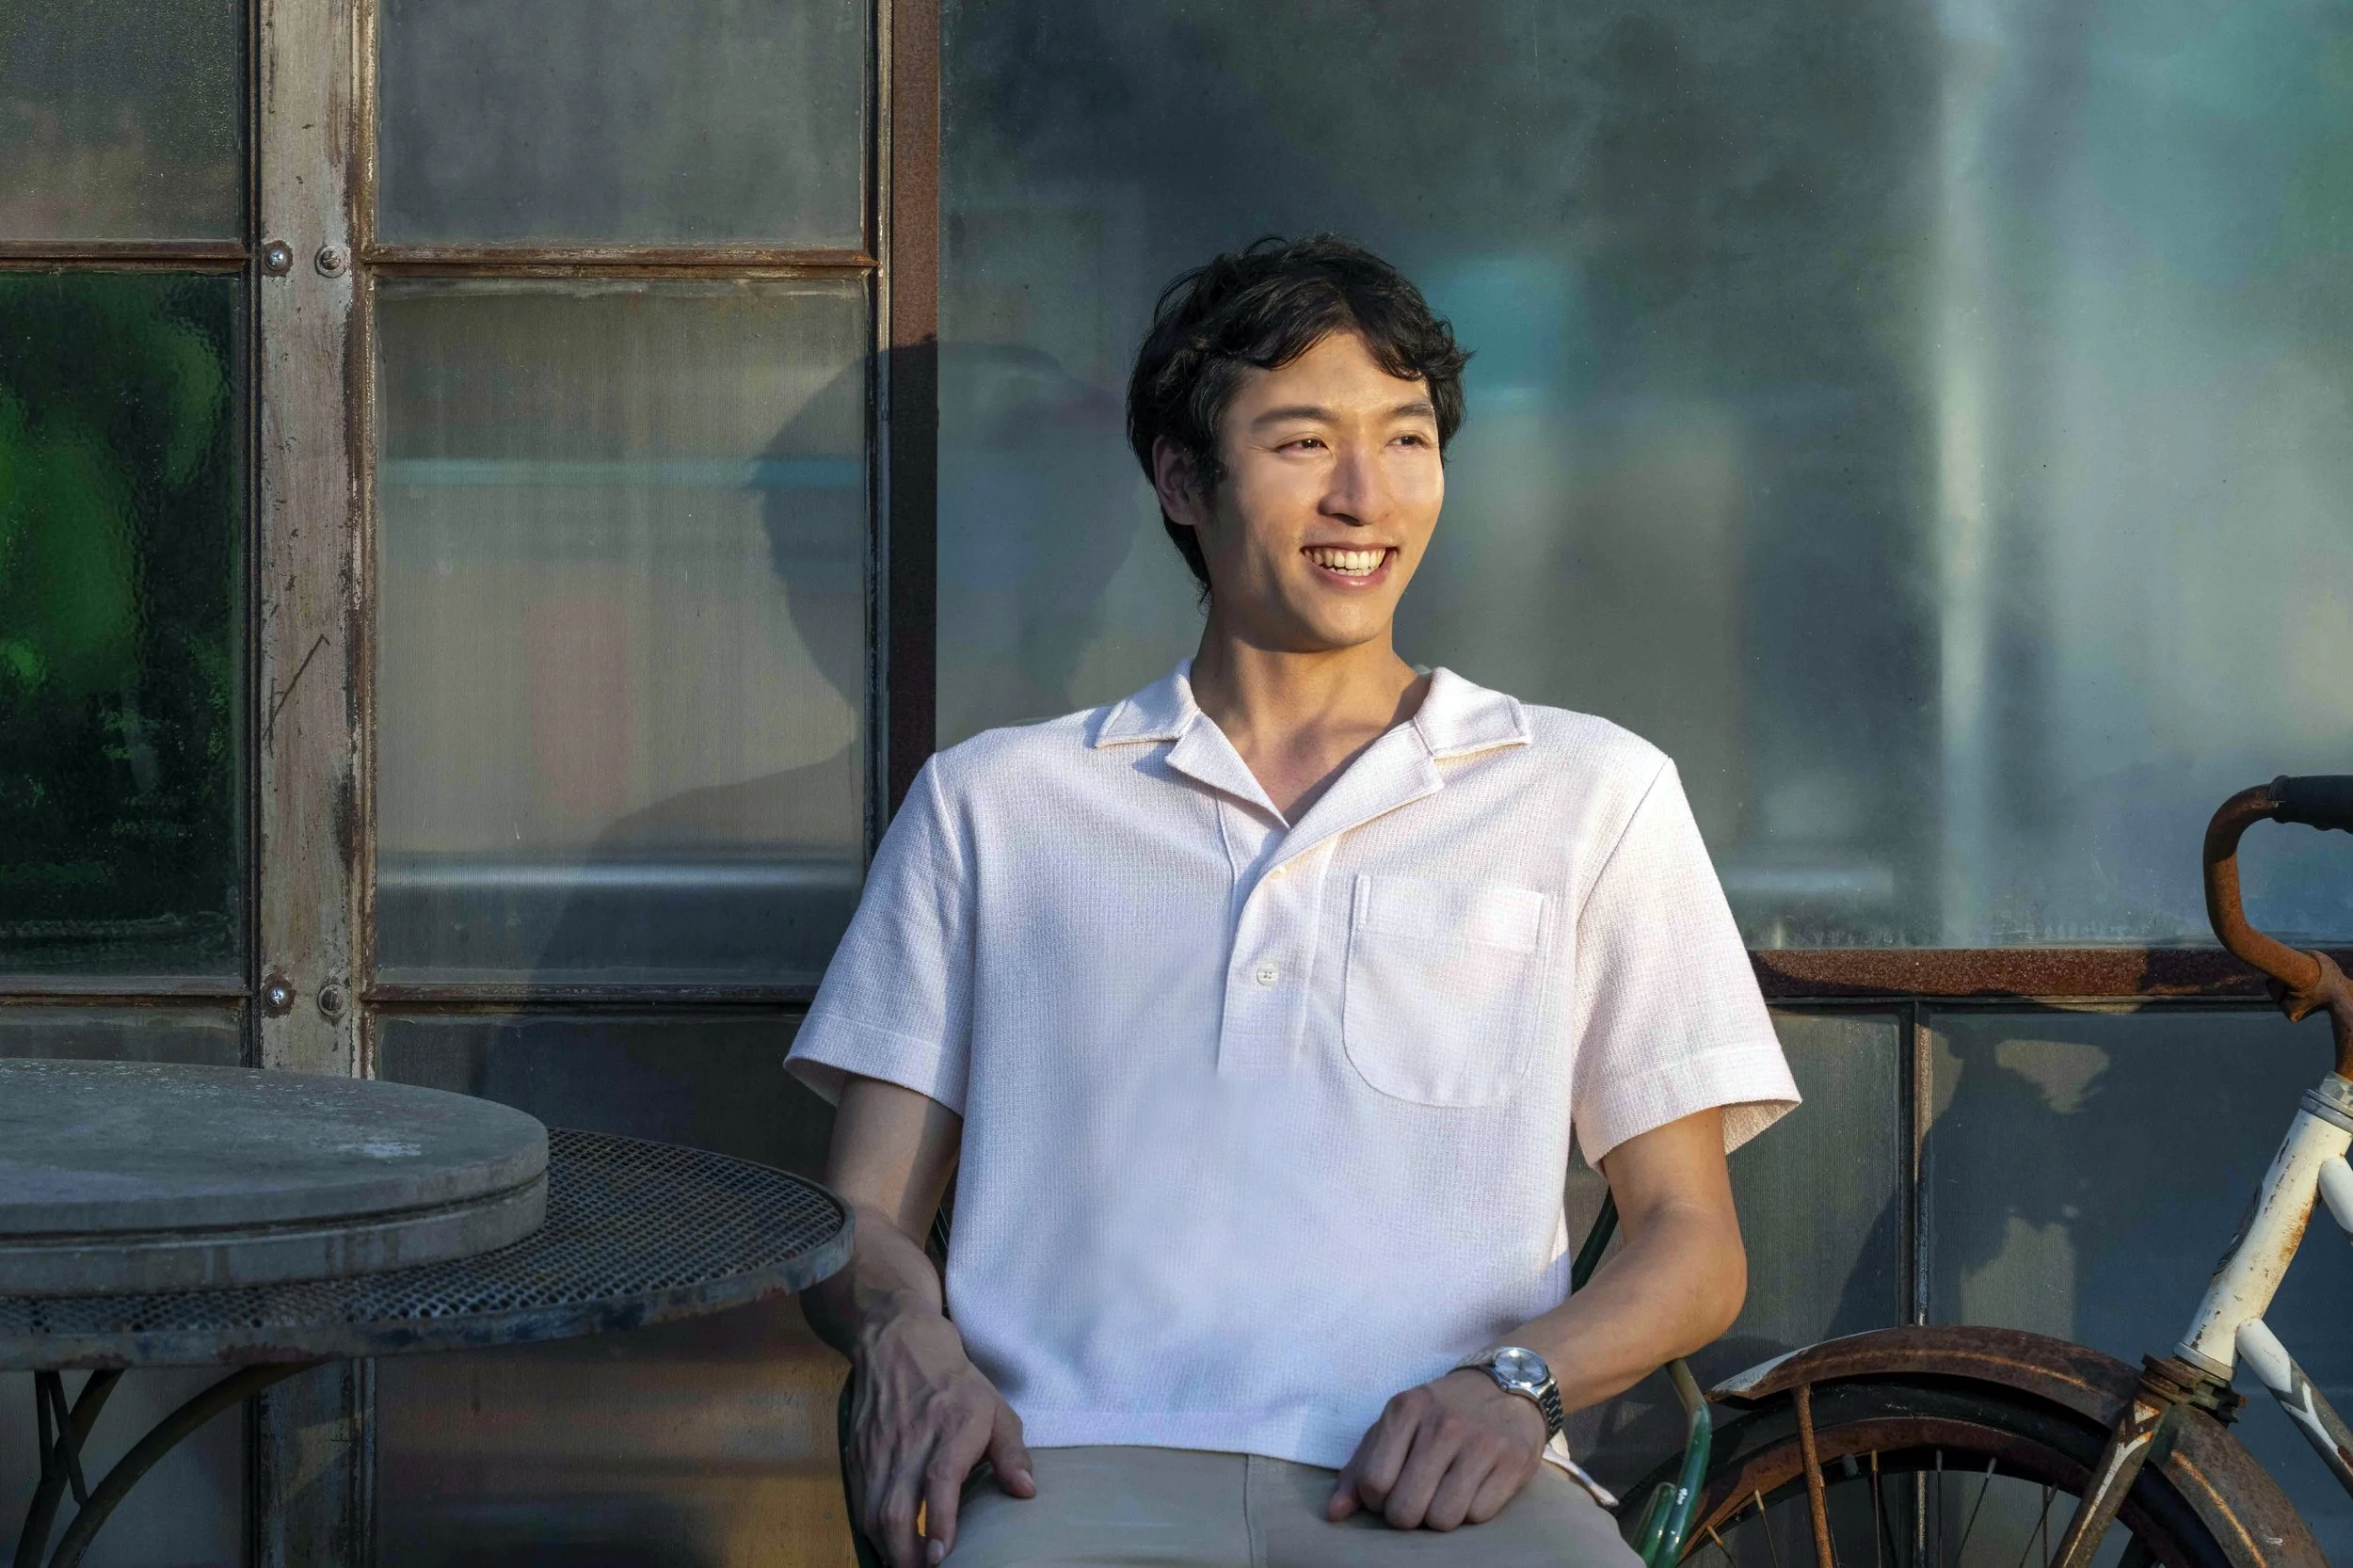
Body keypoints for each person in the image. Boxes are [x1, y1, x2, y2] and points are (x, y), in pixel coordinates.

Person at [791, 234, 1801, 1568]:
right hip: (1063, 1470)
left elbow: (1692, 1242)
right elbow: (861, 1215)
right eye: (1303, 442)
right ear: (1179, 479)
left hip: (1445, 1479)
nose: (1365, 496)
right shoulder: (996, 807)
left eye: (1406, 438)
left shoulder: (1589, 793)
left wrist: (1521, 1385)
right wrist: (906, 1336)